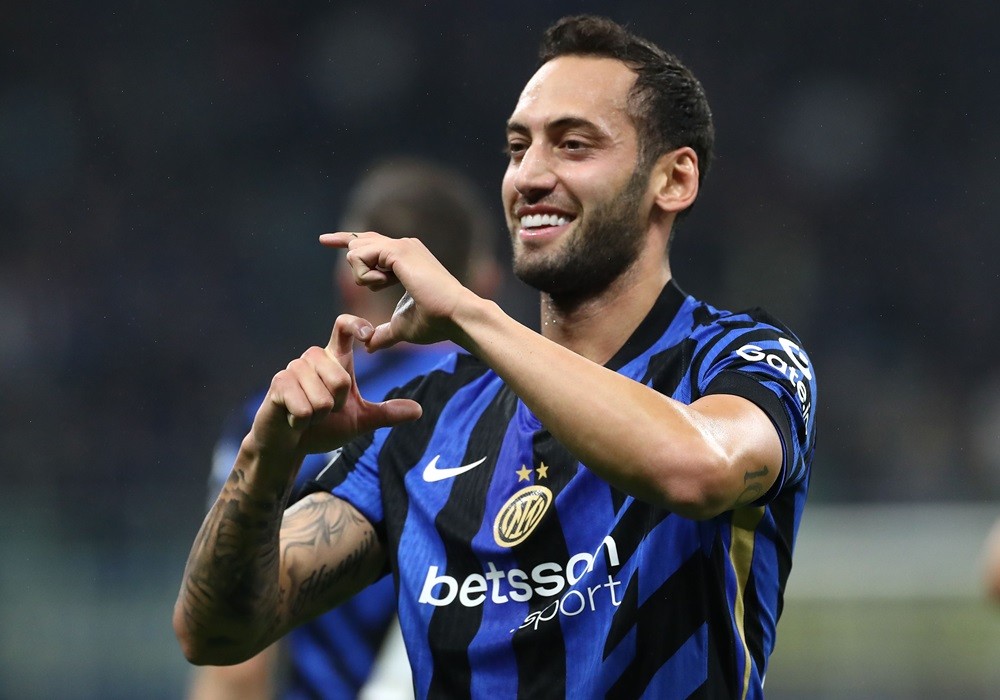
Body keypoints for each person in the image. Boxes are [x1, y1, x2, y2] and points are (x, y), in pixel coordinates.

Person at [174, 15, 818, 699]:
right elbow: (214, 635)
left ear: (673, 179)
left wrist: (468, 315)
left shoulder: (740, 357)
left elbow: (698, 469)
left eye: (573, 145)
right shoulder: (426, 414)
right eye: (518, 147)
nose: (530, 175)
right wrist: (267, 457)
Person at [185, 157, 500, 700]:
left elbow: (236, 668)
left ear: (347, 284)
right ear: (482, 284)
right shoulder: (512, 405)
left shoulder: (278, 421)